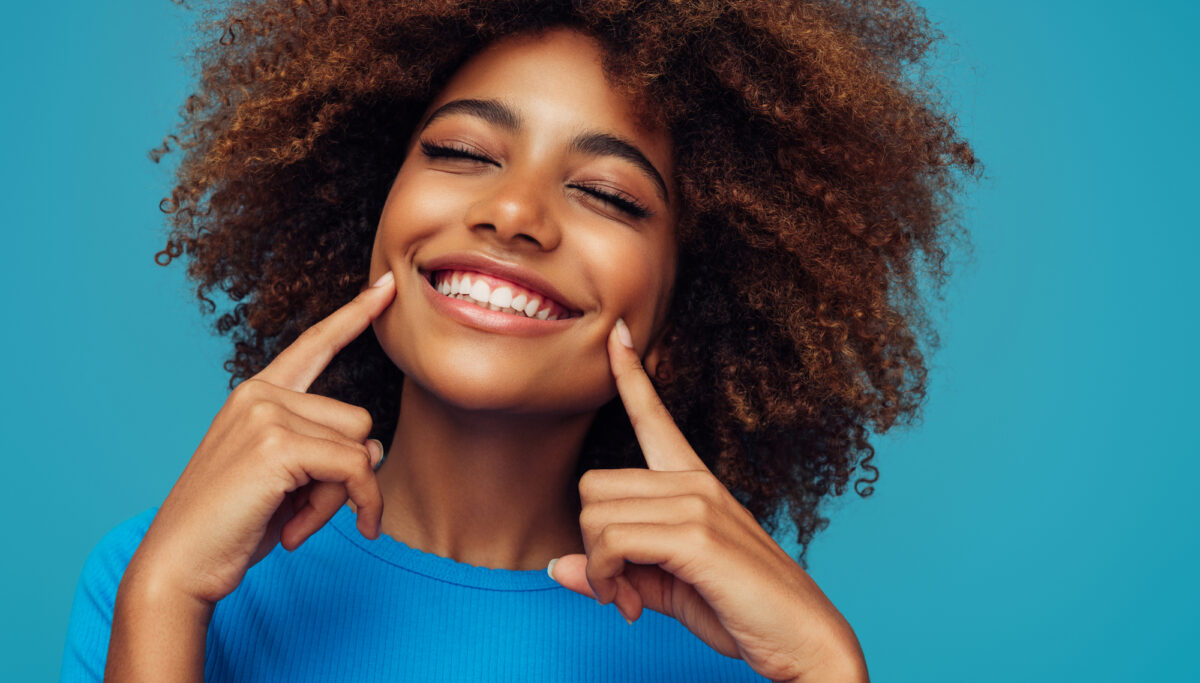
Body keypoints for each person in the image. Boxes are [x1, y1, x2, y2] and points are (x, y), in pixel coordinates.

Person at [62, 1, 976, 680]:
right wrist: (165, 602)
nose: (513, 213)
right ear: (367, 210)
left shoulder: (741, 652)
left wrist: (825, 667)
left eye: (610, 195)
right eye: (461, 153)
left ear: (685, 310)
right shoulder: (164, 581)